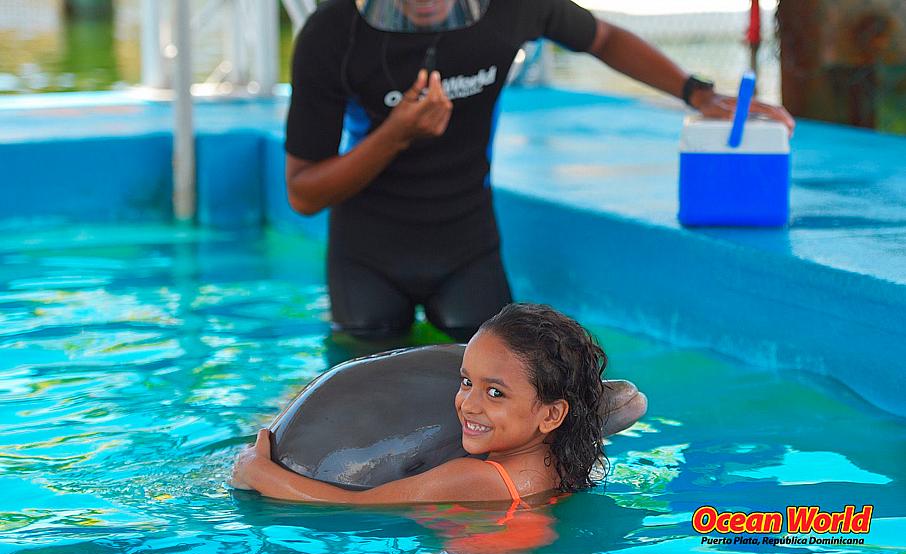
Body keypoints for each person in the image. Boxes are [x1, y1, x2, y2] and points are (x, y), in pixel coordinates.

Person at [283, 0, 796, 345]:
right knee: (363, 384)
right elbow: (304, 192)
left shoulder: (513, 7)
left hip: (465, 244)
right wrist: (394, 135)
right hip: (366, 254)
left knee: (500, 383)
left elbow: (603, 38)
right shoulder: (333, 34)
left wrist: (697, 93)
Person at [232, 302, 629, 505]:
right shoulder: (563, 466)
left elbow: (350, 503)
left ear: (554, 414)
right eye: (466, 382)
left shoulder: (470, 478)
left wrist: (257, 470)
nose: (468, 404)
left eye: (495, 393)